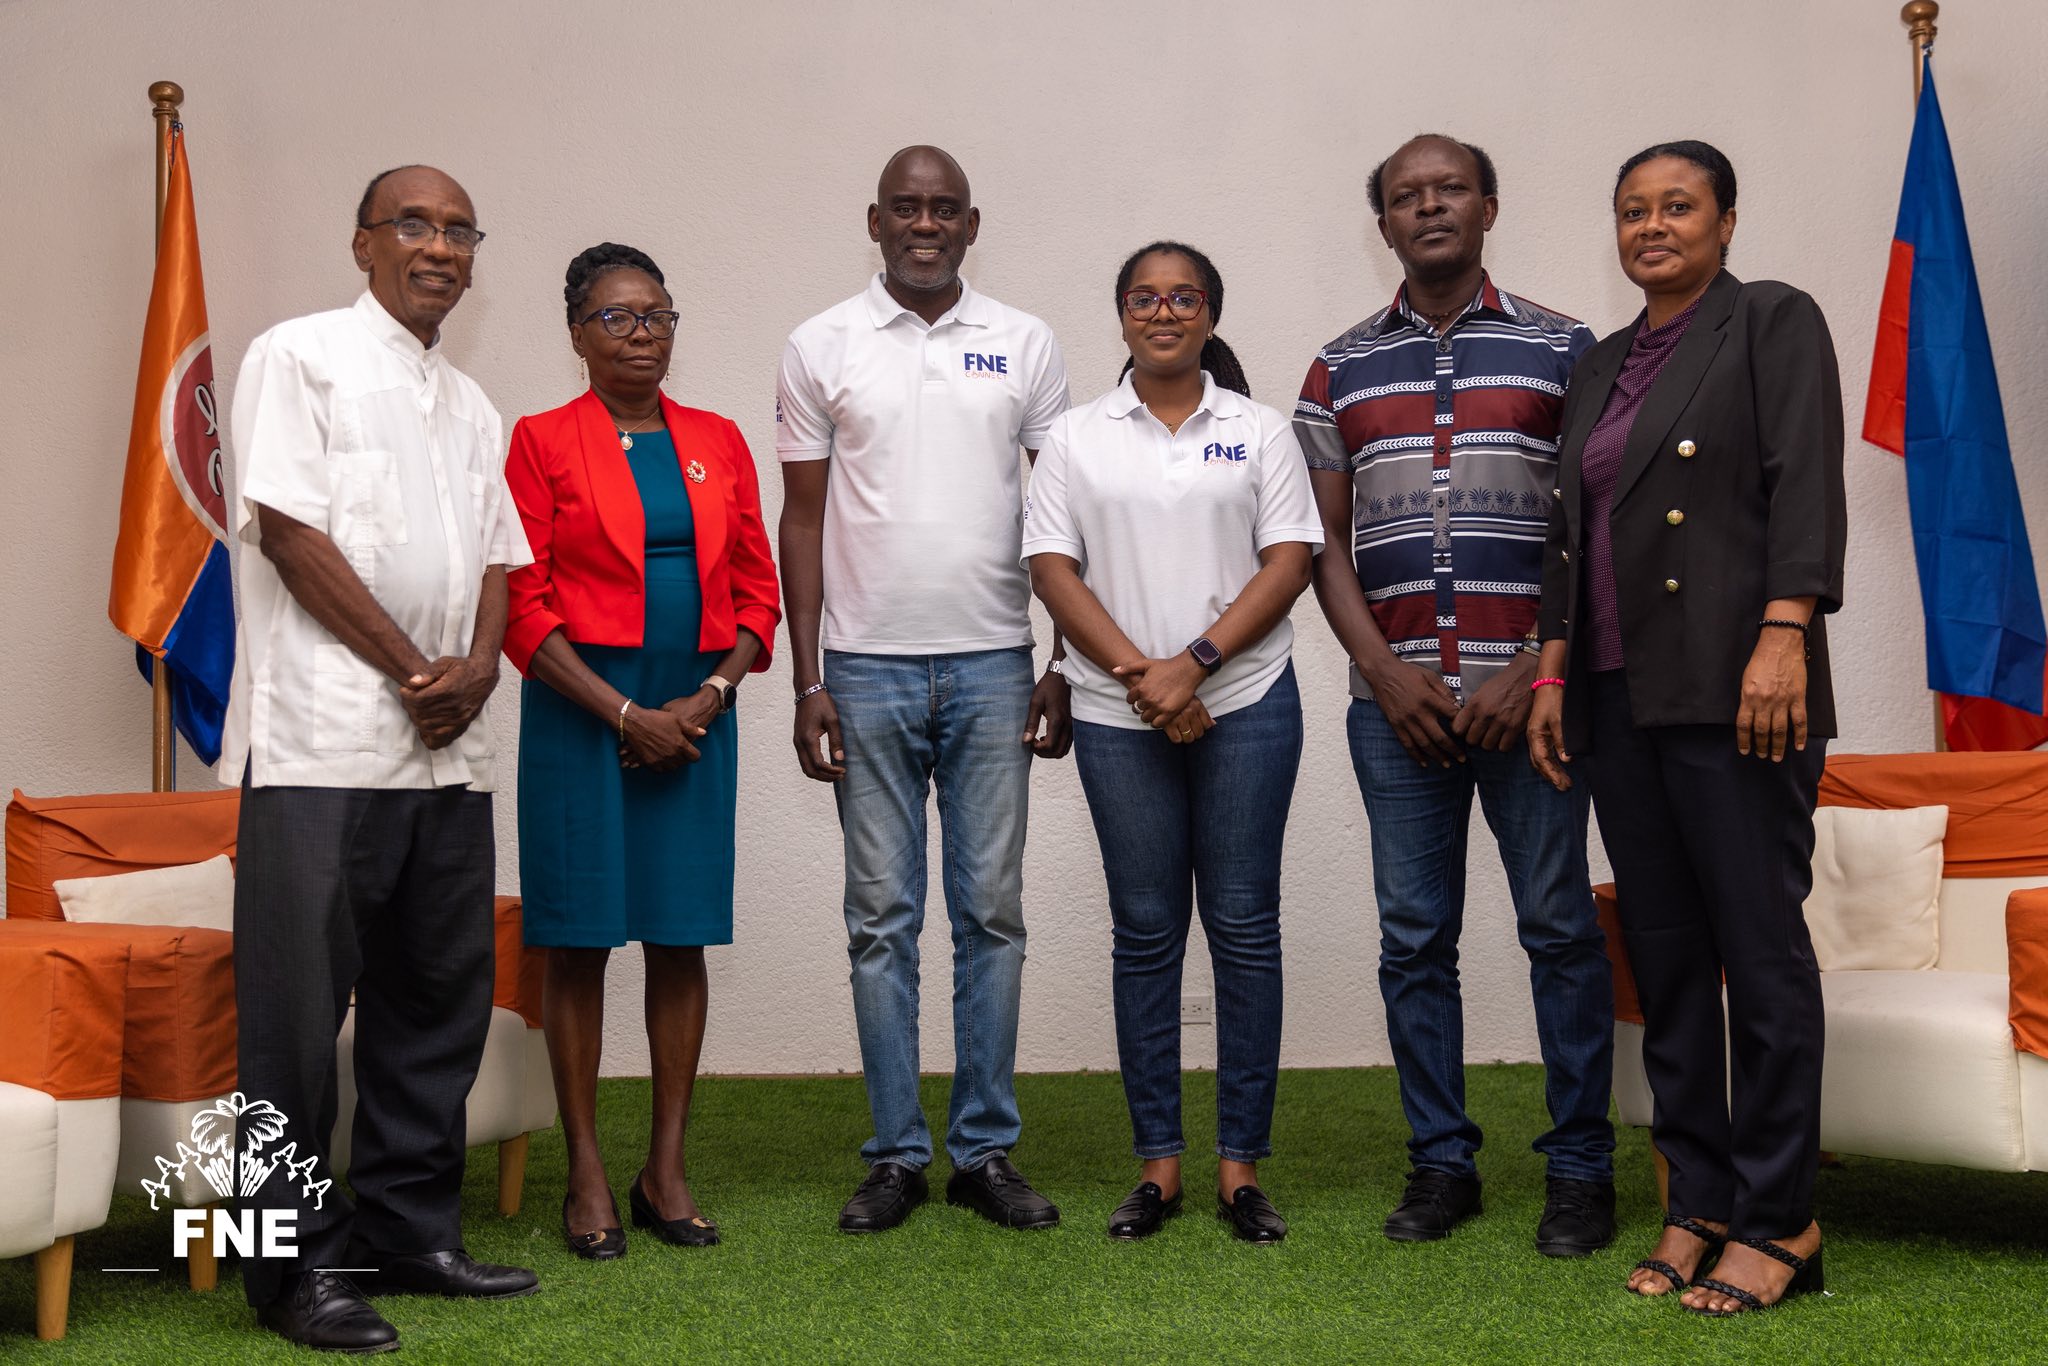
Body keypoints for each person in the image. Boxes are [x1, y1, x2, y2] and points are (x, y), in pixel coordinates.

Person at [222, 165, 537, 1354]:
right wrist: (419, 671)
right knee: (293, 1027)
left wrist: (480, 668)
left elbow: (500, 557)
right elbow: (289, 531)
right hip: (324, 749)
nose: (440, 247)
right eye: (414, 224)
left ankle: (408, 1234)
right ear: (363, 244)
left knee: (435, 1003)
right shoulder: (297, 356)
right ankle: (284, 1272)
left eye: (460, 230)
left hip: (448, 759)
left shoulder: (471, 402)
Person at [1528, 140, 1844, 1314]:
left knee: (1756, 957)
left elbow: (1802, 479)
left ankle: (1779, 1217)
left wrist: (1783, 631)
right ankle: (1697, 1201)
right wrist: (1551, 674)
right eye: (1631, 210)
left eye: (1675, 206)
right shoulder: (1598, 364)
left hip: (1737, 689)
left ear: (1724, 219)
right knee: (1662, 961)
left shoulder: (1768, 321)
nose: (1650, 226)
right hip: (1618, 700)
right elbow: (1568, 540)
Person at [1295, 134, 1617, 1253]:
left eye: (1449, 189)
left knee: (1558, 929)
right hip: (1397, 715)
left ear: (1488, 205)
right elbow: (1319, 544)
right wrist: (1384, 675)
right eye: (1405, 195)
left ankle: (1579, 1169)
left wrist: (1532, 665)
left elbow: (1595, 529)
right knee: (1413, 940)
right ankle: (1440, 1164)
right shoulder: (1336, 368)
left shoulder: (1566, 349)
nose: (1428, 206)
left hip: (1535, 703)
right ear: (1382, 222)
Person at [777, 145, 1072, 1233]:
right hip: (863, 669)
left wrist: (1059, 660)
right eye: (905, 207)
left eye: (944, 208)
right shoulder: (820, 344)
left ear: (972, 223)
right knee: (879, 921)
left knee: (991, 913)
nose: (925, 224)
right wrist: (807, 675)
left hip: (995, 661)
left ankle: (983, 1151)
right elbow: (801, 517)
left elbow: (1064, 513)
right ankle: (897, 1155)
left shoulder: (1026, 341)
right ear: (874, 220)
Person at [1025, 242, 1320, 1243]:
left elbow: (1289, 562)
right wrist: (1143, 680)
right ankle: (1158, 1165)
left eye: (1182, 297)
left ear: (1209, 315)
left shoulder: (1259, 430)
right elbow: (1053, 570)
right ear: (1121, 315)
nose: (1163, 312)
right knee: (1146, 933)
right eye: (1143, 298)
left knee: (1243, 928)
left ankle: (1240, 1168)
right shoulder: (1074, 437)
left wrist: (1191, 664)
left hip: (1248, 700)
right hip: (1120, 715)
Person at [503, 243, 781, 1259]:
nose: (641, 335)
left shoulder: (717, 438)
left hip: (695, 721)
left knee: (678, 935)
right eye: (617, 318)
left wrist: (704, 699)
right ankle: (585, 1172)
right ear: (577, 334)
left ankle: (665, 1167)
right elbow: (521, 603)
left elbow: (757, 592)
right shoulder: (540, 440)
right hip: (580, 717)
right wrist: (625, 715)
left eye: (657, 315)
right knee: (578, 939)